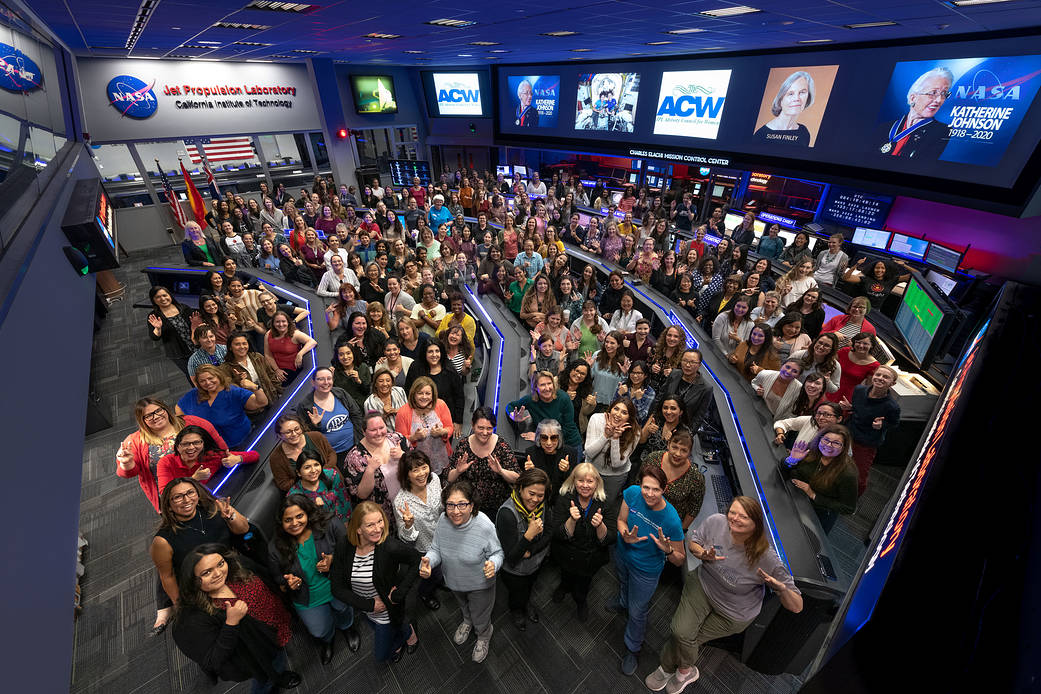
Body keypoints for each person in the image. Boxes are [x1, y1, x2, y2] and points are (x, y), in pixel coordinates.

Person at [645, 497, 803, 693]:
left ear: (755, 523)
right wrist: (702, 554)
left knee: (687, 638)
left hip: (734, 612)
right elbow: (694, 542)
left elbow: (797, 606)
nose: (734, 519)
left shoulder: (767, 557)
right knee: (681, 632)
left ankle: (667, 668)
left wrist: (780, 588)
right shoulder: (716, 521)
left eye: (742, 516)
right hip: (704, 586)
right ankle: (685, 671)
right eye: (732, 512)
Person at [172, 543, 301, 693]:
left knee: (279, 660)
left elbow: (267, 579)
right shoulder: (195, 617)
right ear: (193, 581)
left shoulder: (238, 566)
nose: (218, 573)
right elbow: (213, 660)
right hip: (257, 653)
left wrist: (284, 586)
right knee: (267, 677)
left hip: (276, 626)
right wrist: (230, 624)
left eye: (220, 564)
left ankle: (279, 676)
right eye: (207, 572)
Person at [609, 464, 685, 676]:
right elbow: (621, 520)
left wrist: (668, 550)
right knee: (623, 583)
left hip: (646, 570)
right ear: (640, 485)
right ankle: (622, 601)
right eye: (646, 487)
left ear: (664, 489)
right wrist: (625, 534)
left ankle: (633, 648)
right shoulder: (632, 494)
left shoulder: (671, 519)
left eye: (656, 489)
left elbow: (680, 560)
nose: (650, 494)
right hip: (623, 553)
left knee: (637, 611)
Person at [419, 480, 504, 663]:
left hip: (480, 584)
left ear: (472, 505)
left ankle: (483, 635)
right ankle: (467, 622)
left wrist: (493, 564)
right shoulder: (443, 520)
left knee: (480, 614)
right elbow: (436, 549)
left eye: (462, 504)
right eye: (450, 505)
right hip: (454, 580)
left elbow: (498, 553)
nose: (455, 511)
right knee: (464, 607)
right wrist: (428, 563)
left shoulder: (483, 525)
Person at [151, 478, 250, 635]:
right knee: (231, 630)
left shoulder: (215, 508)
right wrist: (182, 608)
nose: (186, 500)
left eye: (190, 493)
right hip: (203, 589)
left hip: (232, 572)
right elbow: (167, 577)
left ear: (198, 494)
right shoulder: (162, 542)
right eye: (178, 497)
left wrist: (230, 517)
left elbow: (244, 529)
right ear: (168, 506)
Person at [268, 495, 360, 664]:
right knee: (319, 630)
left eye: (299, 516)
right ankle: (328, 639)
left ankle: (348, 628)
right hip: (306, 596)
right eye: (288, 520)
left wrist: (333, 559)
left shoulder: (329, 524)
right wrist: (288, 583)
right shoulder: (275, 547)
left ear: (308, 513)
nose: (294, 523)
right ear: (281, 522)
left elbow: (351, 547)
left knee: (343, 610)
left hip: (336, 584)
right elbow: (277, 578)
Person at [329, 501, 421, 663]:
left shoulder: (389, 547)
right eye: (370, 525)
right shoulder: (344, 545)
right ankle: (403, 634)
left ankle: (407, 634)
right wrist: (369, 605)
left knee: (381, 655)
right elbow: (337, 587)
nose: (378, 528)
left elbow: (416, 560)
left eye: (380, 521)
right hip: (366, 607)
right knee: (382, 627)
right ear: (358, 529)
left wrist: (399, 593)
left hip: (387, 610)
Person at [116, 397, 227, 514]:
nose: (156, 417)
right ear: (142, 420)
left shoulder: (192, 421)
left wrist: (230, 459)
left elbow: (220, 448)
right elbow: (128, 473)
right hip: (175, 498)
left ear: (165, 409)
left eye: (158, 411)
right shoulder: (134, 441)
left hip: (210, 482)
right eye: (148, 416)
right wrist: (126, 463)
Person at [550, 463, 615, 621]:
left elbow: (611, 538)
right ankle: (564, 587)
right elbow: (557, 533)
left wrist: (600, 525)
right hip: (567, 553)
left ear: (597, 483)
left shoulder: (605, 502)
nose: (585, 485)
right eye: (580, 480)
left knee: (583, 584)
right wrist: (571, 520)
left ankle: (580, 601)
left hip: (590, 558)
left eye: (590, 481)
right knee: (565, 575)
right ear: (574, 481)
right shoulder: (565, 499)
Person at [494, 468, 555, 631]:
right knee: (516, 594)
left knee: (529, 587)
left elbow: (549, 532)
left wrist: (531, 551)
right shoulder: (507, 514)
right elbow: (512, 557)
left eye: (540, 495)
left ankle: (525, 603)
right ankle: (517, 611)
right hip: (515, 571)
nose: (535, 499)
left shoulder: (543, 503)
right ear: (520, 488)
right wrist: (529, 535)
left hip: (535, 563)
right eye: (531, 493)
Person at [393, 450, 444, 611]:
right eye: (415, 470)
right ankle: (425, 594)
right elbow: (405, 538)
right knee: (430, 574)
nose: (422, 473)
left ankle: (440, 580)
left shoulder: (434, 479)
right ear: (406, 474)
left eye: (423, 467)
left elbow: (442, 506)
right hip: (425, 546)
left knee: (443, 568)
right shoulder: (401, 501)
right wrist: (408, 525)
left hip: (444, 537)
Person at [782, 426, 858, 531]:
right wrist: (791, 460)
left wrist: (813, 494)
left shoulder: (847, 474)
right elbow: (784, 468)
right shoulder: (811, 450)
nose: (828, 445)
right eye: (826, 440)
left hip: (818, 513)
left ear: (844, 447)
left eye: (836, 443)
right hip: (794, 500)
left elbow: (848, 508)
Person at [445, 407, 520, 512]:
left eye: (489, 428)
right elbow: (449, 478)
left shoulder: (501, 445)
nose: (485, 433)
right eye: (480, 428)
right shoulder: (463, 445)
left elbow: (517, 477)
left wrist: (501, 471)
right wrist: (458, 471)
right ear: (473, 425)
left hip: (496, 508)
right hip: (467, 507)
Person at [842, 365, 901, 496]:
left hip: (865, 442)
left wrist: (882, 425)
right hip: (848, 432)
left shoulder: (892, 406)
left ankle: (852, 500)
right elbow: (859, 409)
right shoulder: (859, 390)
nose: (880, 378)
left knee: (857, 476)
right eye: (878, 375)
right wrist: (850, 407)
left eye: (885, 377)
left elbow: (894, 423)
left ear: (893, 383)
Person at [342, 413, 408, 528]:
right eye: (373, 430)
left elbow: (417, 467)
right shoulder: (355, 457)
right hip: (381, 515)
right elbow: (361, 494)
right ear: (363, 431)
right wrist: (370, 469)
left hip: (406, 505)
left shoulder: (397, 439)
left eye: (381, 428)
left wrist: (403, 455)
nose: (379, 433)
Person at [175, 365, 265, 448]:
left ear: (219, 376)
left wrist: (255, 387)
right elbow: (179, 407)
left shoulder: (233, 392)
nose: (207, 383)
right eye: (202, 381)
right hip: (214, 448)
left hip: (242, 442)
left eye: (211, 378)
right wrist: (186, 427)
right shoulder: (194, 393)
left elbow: (261, 402)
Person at [876, 66, 953, 159]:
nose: (939, 100)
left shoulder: (942, 131)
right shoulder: (884, 128)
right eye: (933, 93)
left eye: (944, 94)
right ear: (913, 98)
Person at [156, 424, 258, 492]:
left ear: (203, 444)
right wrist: (193, 479)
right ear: (178, 446)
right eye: (185, 444)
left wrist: (238, 459)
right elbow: (165, 493)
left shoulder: (212, 456)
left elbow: (255, 455)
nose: (191, 447)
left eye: (196, 443)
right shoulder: (166, 462)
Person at [644, 431, 705, 529]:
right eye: (674, 447)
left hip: (669, 523)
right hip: (645, 513)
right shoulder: (653, 459)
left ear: (689, 453)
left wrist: (681, 530)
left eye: (684, 450)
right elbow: (639, 483)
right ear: (668, 445)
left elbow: (694, 508)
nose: (677, 454)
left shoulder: (696, 477)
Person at [585, 396, 641, 503]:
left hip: (615, 476)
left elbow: (616, 464)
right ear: (610, 409)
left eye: (624, 412)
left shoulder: (635, 432)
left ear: (629, 418)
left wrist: (615, 438)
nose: (618, 414)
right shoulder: (596, 419)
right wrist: (606, 435)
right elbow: (589, 453)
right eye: (616, 409)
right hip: (592, 469)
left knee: (605, 505)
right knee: (585, 500)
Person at [395, 377, 454, 475]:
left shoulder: (441, 404)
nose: (424, 397)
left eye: (428, 393)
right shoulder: (403, 412)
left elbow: (450, 427)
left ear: (433, 394)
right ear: (414, 394)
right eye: (420, 393)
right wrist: (414, 437)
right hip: (416, 467)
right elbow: (399, 440)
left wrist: (442, 432)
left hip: (441, 459)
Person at [652, 349, 713, 432]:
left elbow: (699, 417)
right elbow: (660, 397)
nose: (687, 365)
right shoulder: (674, 374)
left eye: (692, 362)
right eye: (685, 361)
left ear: (699, 365)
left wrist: (687, 435)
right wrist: (652, 418)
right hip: (659, 423)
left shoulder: (706, 388)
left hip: (680, 430)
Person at [147, 286, 200, 381]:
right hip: (179, 352)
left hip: (197, 345)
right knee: (193, 376)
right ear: (153, 300)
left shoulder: (184, 307)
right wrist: (158, 328)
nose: (163, 299)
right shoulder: (154, 316)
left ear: (170, 295)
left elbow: (195, 325)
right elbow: (154, 337)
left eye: (164, 295)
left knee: (207, 370)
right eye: (158, 297)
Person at [287, 452, 352, 525]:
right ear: (298, 473)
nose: (313, 470)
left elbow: (343, 499)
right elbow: (298, 524)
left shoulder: (332, 475)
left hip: (339, 521)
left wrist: (345, 523)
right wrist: (313, 507)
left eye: (316, 465)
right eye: (307, 467)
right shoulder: (294, 495)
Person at [754, 70, 815, 146]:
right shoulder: (761, 135)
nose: (796, 98)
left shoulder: (804, 133)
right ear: (780, 100)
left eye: (802, 92)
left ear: (808, 97)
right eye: (790, 94)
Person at [264, 310, 317, 383]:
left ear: (288, 322)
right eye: (277, 322)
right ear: (273, 324)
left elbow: (312, 342)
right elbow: (268, 355)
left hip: (293, 369)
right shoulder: (268, 334)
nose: (281, 324)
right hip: (276, 368)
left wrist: (300, 354)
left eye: (283, 321)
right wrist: (276, 370)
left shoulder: (295, 334)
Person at [829, 332, 881, 404]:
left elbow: (868, 387)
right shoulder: (845, 351)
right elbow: (829, 366)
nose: (861, 346)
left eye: (865, 344)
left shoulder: (874, 365)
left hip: (848, 397)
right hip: (830, 387)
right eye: (858, 342)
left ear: (871, 345)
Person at [773, 400, 844, 451]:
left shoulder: (840, 438)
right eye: (818, 413)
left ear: (839, 419)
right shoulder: (810, 420)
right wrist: (780, 434)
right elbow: (782, 423)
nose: (821, 418)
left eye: (827, 415)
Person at [331, 342, 372, 409]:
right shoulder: (334, 372)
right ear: (337, 356)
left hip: (363, 407)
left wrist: (359, 381)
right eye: (341, 354)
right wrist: (330, 380)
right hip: (346, 409)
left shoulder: (363, 367)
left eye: (348, 353)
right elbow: (333, 395)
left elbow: (367, 391)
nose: (345, 357)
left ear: (353, 353)